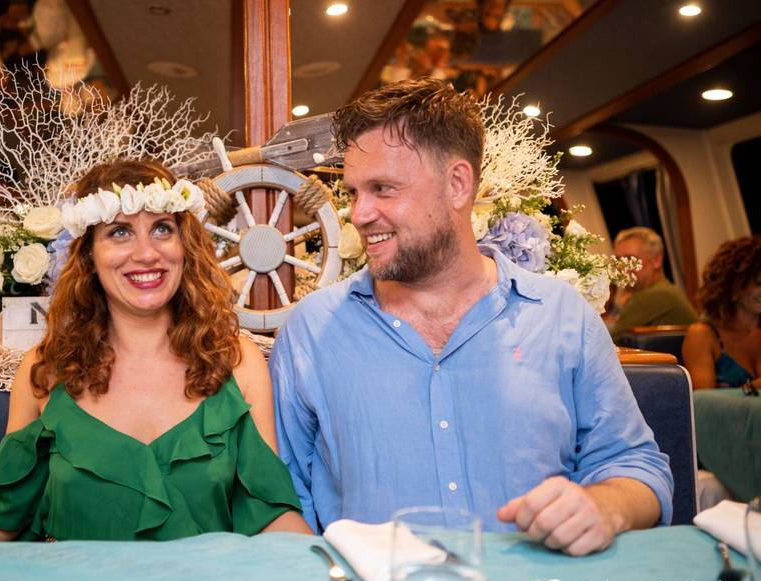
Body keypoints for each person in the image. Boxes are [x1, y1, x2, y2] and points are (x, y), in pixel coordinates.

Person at [0, 159, 309, 545]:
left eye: (162, 228)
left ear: (185, 245)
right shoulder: (44, 371)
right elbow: (3, 511)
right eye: (119, 233)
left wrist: (337, 578)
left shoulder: (236, 360)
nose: (146, 252)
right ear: (87, 254)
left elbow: (268, 512)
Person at [270, 78, 673, 556]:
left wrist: (605, 506)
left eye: (382, 189)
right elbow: (280, 498)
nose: (359, 213)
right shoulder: (309, 331)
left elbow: (637, 466)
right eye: (354, 191)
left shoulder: (564, 317)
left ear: (458, 184)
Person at [682, 236, 761, 390]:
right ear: (733, 284)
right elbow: (705, 406)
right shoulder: (703, 335)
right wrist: (751, 389)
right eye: (759, 283)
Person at [609, 227, 697, 341]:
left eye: (630, 259)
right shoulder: (664, 289)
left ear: (656, 261)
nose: (621, 267)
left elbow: (607, 344)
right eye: (618, 260)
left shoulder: (655, 295)